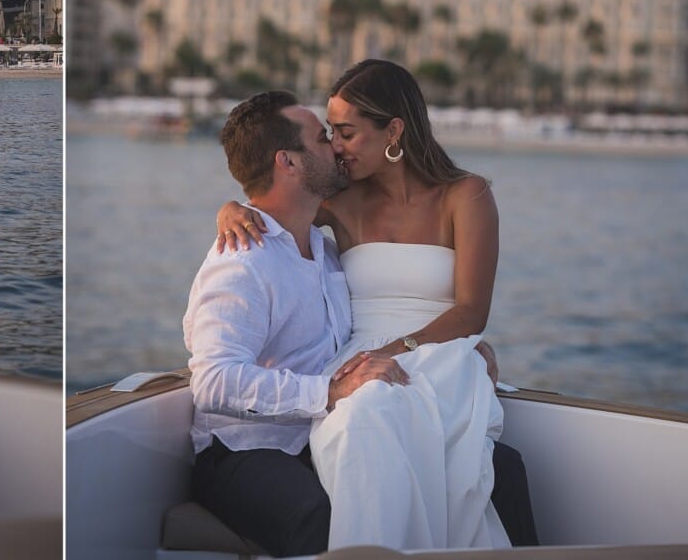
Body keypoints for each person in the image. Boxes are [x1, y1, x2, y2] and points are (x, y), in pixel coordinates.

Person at [212, 61, 536, 551]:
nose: (336, 147)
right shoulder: (339, 201)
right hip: (358, 359)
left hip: (439, 352)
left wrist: (400, 348)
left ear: (394, 130)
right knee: (363, 416)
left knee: (394, 418)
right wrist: (229, 209)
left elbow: (471, 311)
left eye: (346, 132)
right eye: (331, 133)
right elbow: (274, 204)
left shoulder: (465, 196)